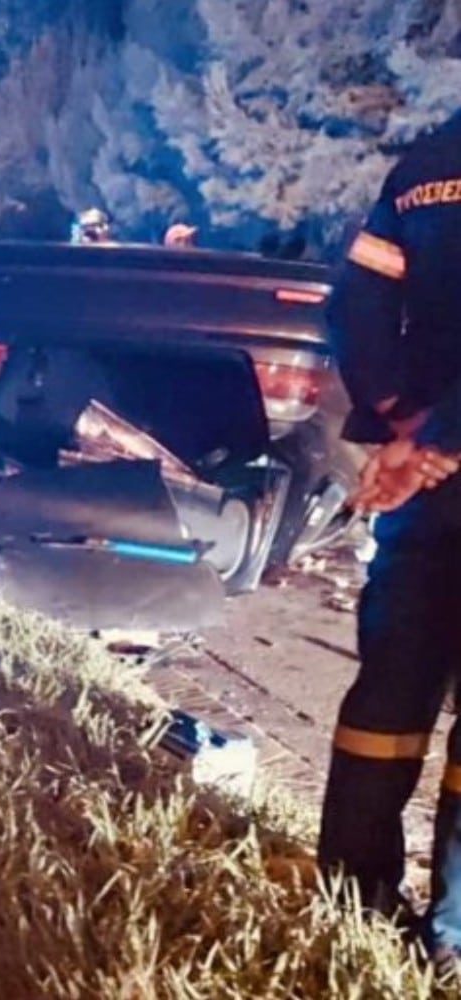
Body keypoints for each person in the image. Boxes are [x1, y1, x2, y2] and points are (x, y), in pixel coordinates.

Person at [320, 110, 461, 964]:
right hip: (435, 457)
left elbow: (356, 304)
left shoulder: (425, 165)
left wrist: (404, 423)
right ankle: (455, 940)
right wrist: (435, 436)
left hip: (427, 482)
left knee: (391, 688)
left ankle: (353, 904)